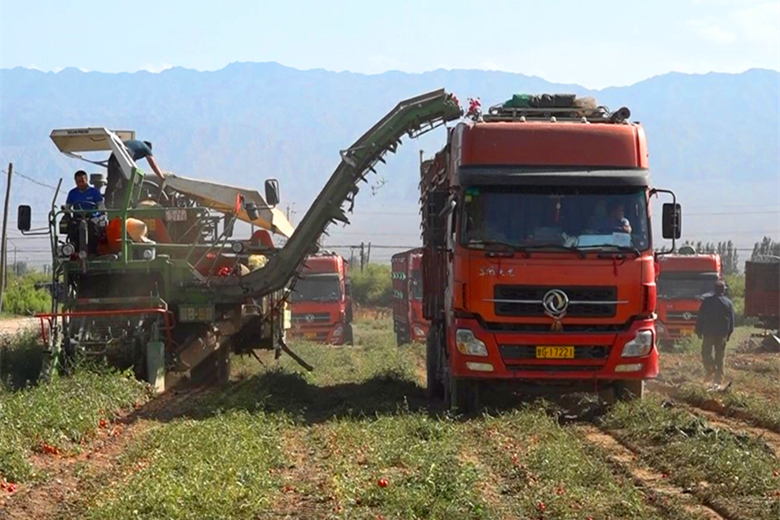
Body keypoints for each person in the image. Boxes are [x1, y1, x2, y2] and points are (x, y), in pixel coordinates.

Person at [695, 281, 736, 384]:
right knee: (720, 357)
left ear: (714, 289)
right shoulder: (728, 303)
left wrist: (698, 330)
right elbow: (731, 320)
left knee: (705, 353)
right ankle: (718, 379)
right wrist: (729, 334)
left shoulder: (707, 302)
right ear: (723, 290)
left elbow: (700, 317)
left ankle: (711, 368)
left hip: (708, 333)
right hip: (722, 334)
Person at [105, 139, 165, 208]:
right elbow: (154, 165)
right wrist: (161, 177)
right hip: (125, 154)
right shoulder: (146, 148)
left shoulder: (136, 144)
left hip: (114, 155)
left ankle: (108, 206)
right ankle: (125, 205)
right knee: (128, 182)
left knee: (112, 182)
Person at [65, 170, 105, 254]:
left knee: (92, 228)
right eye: (78, 182)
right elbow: (67, 207)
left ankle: (93, 251)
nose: (80, 184)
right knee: (73, 227)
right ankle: (74, 250)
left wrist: (99, 217)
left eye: (82, 181)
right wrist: (67, 214)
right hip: (78, 218)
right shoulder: (72, 193)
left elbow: (101, 207)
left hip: (92, 218)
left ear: (86, 180)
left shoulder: (94, 192)